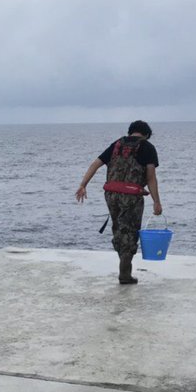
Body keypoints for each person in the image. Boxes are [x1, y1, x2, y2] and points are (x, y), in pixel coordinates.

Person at [75, 120, 163, 284]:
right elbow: (151, 177)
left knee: (118, 229)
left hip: (111, 195)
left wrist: (83, 185)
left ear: (130, 132)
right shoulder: (147, 147)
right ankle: (125, 273)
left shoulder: (116, 145)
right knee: (130, 231)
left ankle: (124, 267)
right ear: (146, 134)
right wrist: (156, 202)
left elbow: (96, 164)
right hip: (131, 197)